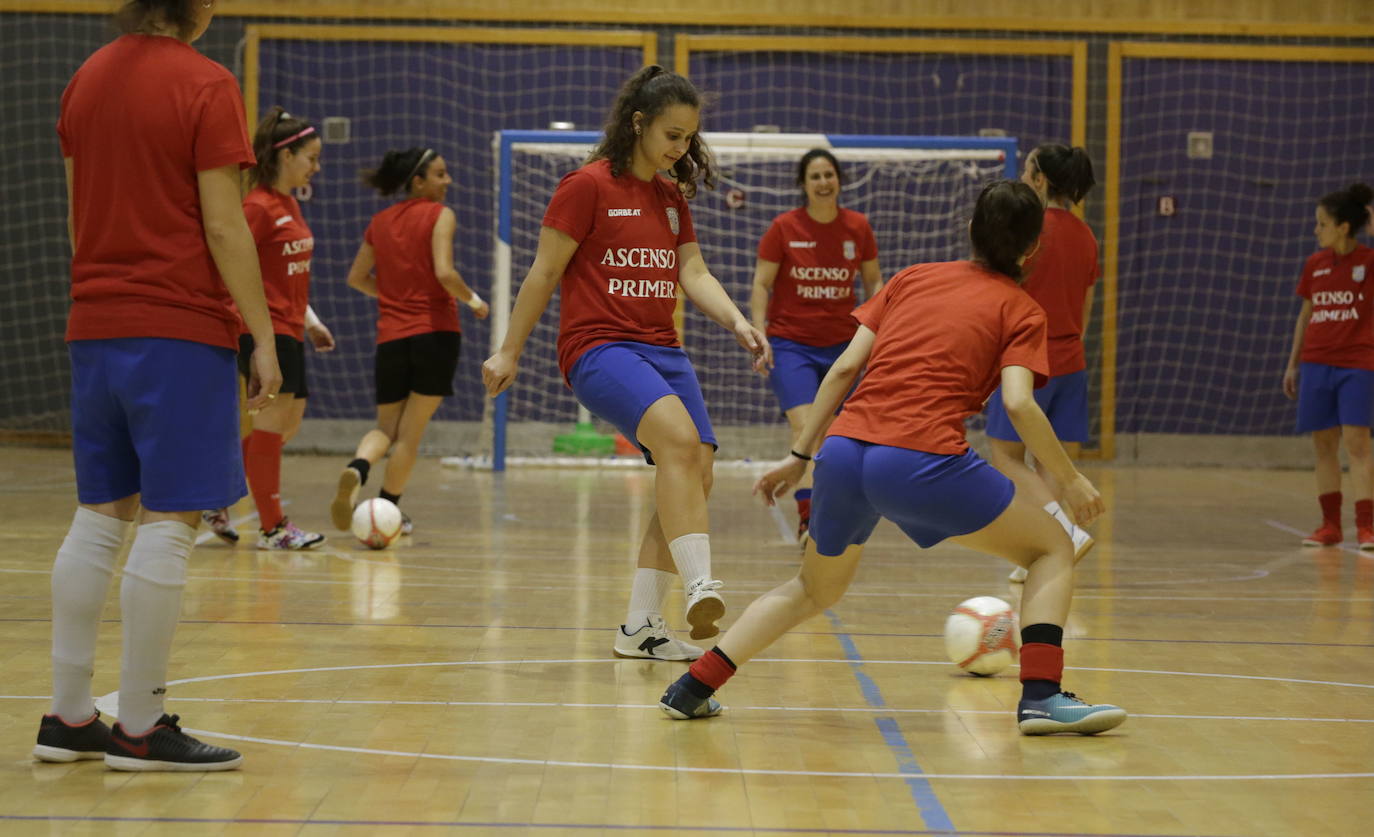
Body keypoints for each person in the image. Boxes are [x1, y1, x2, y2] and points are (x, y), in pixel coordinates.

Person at [659, 180, 1127, 736]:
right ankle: (1043, 697)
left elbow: (841, 371)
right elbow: (1020, 403)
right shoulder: (1023, 309)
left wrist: (799, 457)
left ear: (972, 230)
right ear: (1031, 253)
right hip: (919, 460)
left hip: (842, 453)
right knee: (1053, 547)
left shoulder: (911, 278)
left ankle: (693, 688)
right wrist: (1071, 481)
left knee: (812, 589)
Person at [35, 0, 281, 770]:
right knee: (171, 519)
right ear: (200, 8)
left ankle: (71, 716)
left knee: (99, 515)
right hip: (176, 326)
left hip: (96, 320)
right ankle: (141, 725)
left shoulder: (85, 79)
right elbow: (221, 223)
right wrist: (262, 332)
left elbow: (79, 216)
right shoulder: (206, 84)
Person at [482, 66, 771, 662]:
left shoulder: (670, 197)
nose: (679, 148)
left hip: (663, 348)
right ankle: (700, 586)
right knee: (678, 441)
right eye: (671, 134)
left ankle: (641, 626)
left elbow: (692, 272)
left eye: (688, 138)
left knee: (697, 469)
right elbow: (543, 272)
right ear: (637, 124)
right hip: (598, 346)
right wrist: (509, 349)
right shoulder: (585, 186)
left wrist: (738, 320)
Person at [329, 147, 490, 536]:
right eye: (439, 174)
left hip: (391, 338)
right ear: (417, 181)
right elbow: (445, 272)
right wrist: (474, 301)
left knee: (385, 427)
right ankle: (388, 508)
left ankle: (358, 467)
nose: (447, 181)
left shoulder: (380, 221)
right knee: (411, 432)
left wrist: (392, 295)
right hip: (435, 333)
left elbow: (356, 277)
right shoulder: (440, 215)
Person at [749, 149, 882, 542]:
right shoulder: (784, 227)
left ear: (839, 179)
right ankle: (810, 519)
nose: (824, 182)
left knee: (840, 437)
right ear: (804, 185)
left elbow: (875, 282)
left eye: (829, 175)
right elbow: (761, 284)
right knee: (806, 428)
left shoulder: (858, 227)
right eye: (815, 176)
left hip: (843, 345)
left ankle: (835, 509)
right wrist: (760, 334)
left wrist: (876, 327)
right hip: (792, 345)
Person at [982, 144, 1098, 582]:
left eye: (1027, 168)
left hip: (1026, 357)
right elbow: (1086, 309)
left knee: (1005, 456)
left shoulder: (1029, 228)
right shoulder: (1087, 236)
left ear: (1040, 179)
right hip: (1071, 358)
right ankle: (1042, 551)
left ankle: (1063, 532)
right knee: (1049, 461)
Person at [237, 107, 334, 550]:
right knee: (271, 428)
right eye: (310, 157)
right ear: (285, 156)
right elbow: (235, 270)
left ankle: (217, 501)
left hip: (292, 328)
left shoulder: (289, 203)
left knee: (286, 424)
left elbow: (287, 273)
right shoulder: (255, 207)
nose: (315, 167)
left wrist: (311, 321)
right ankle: (273, 527)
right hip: (265, 330)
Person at [1282, 182, 1374, 548]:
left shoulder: (1368, 261)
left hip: (1358, 363)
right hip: (1317, 363)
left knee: (1357, 444)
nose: (1315, 230)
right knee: (1323, 445)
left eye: (1322, 224)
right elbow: (1306, 315)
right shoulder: (1315, 264)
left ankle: (1367, 526)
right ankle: (1329, 526)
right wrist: (1292, 365)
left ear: (1344, 227)